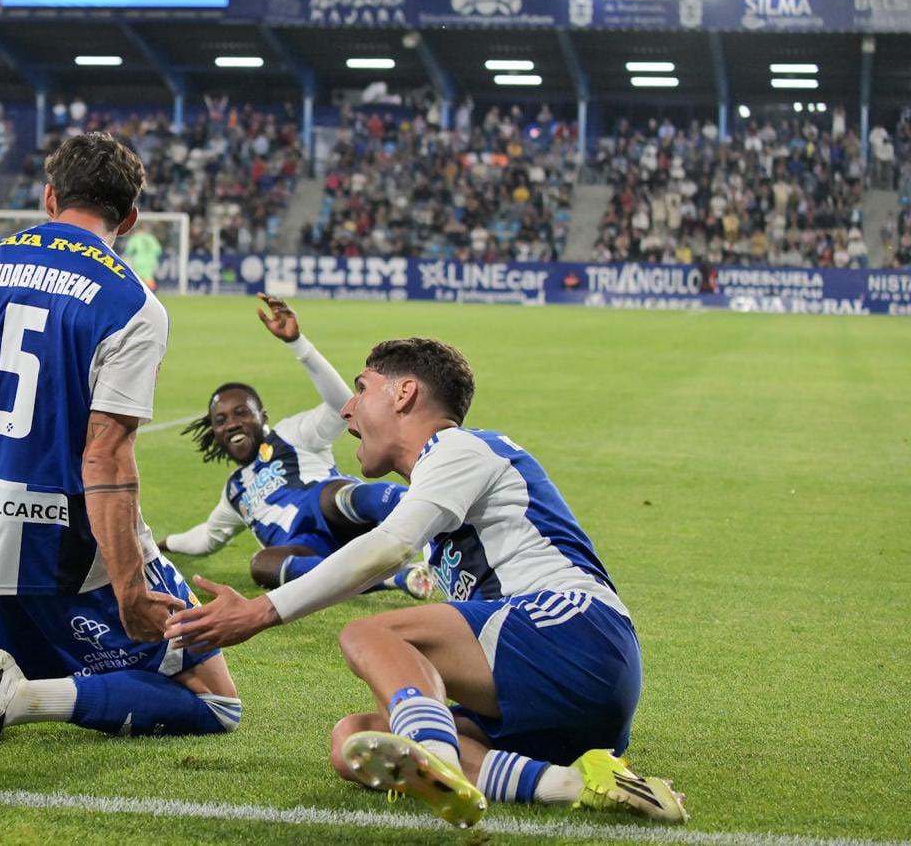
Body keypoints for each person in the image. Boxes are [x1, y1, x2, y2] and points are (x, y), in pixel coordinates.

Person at [162, 338, 686, 828]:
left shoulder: (460, 448)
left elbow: (387, 545)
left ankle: (437, 759)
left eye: (362, 389)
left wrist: (259, 612)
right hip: (555, 694)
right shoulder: (441, 482)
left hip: (575, 631)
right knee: (355, 739)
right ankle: (574, 782)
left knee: (369, 634)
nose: (347, 409)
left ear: (404, 392)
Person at [0, 132, 241, 747]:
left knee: (51, 663)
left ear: (50, 197)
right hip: (73, 549)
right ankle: (18, 700)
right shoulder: (133, 304)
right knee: (216, 703)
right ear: (131, 217)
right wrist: (132, 588)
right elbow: (106, 457)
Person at [160, 294, 433, 600]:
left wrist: (298, 344)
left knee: (333, 496)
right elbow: (206, 539)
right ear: (216, 432)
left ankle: (436, 529)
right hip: (304, 547)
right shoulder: (234, 491)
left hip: (341, 516)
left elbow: (341, 406)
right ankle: (400, 577)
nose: (232, 423)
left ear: (262, 417)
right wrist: (164, 544)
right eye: (221, 420)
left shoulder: (291, 434)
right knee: (262, 564)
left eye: (241, 413)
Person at [121, 224, 161, 290]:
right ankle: (152, 295)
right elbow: (158, 250)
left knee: (138, 279)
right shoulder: (151, 238)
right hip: (150, 261)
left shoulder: (135, 238)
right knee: (149, 278)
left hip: (139, 261)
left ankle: (141, 294)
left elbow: (129, 250)